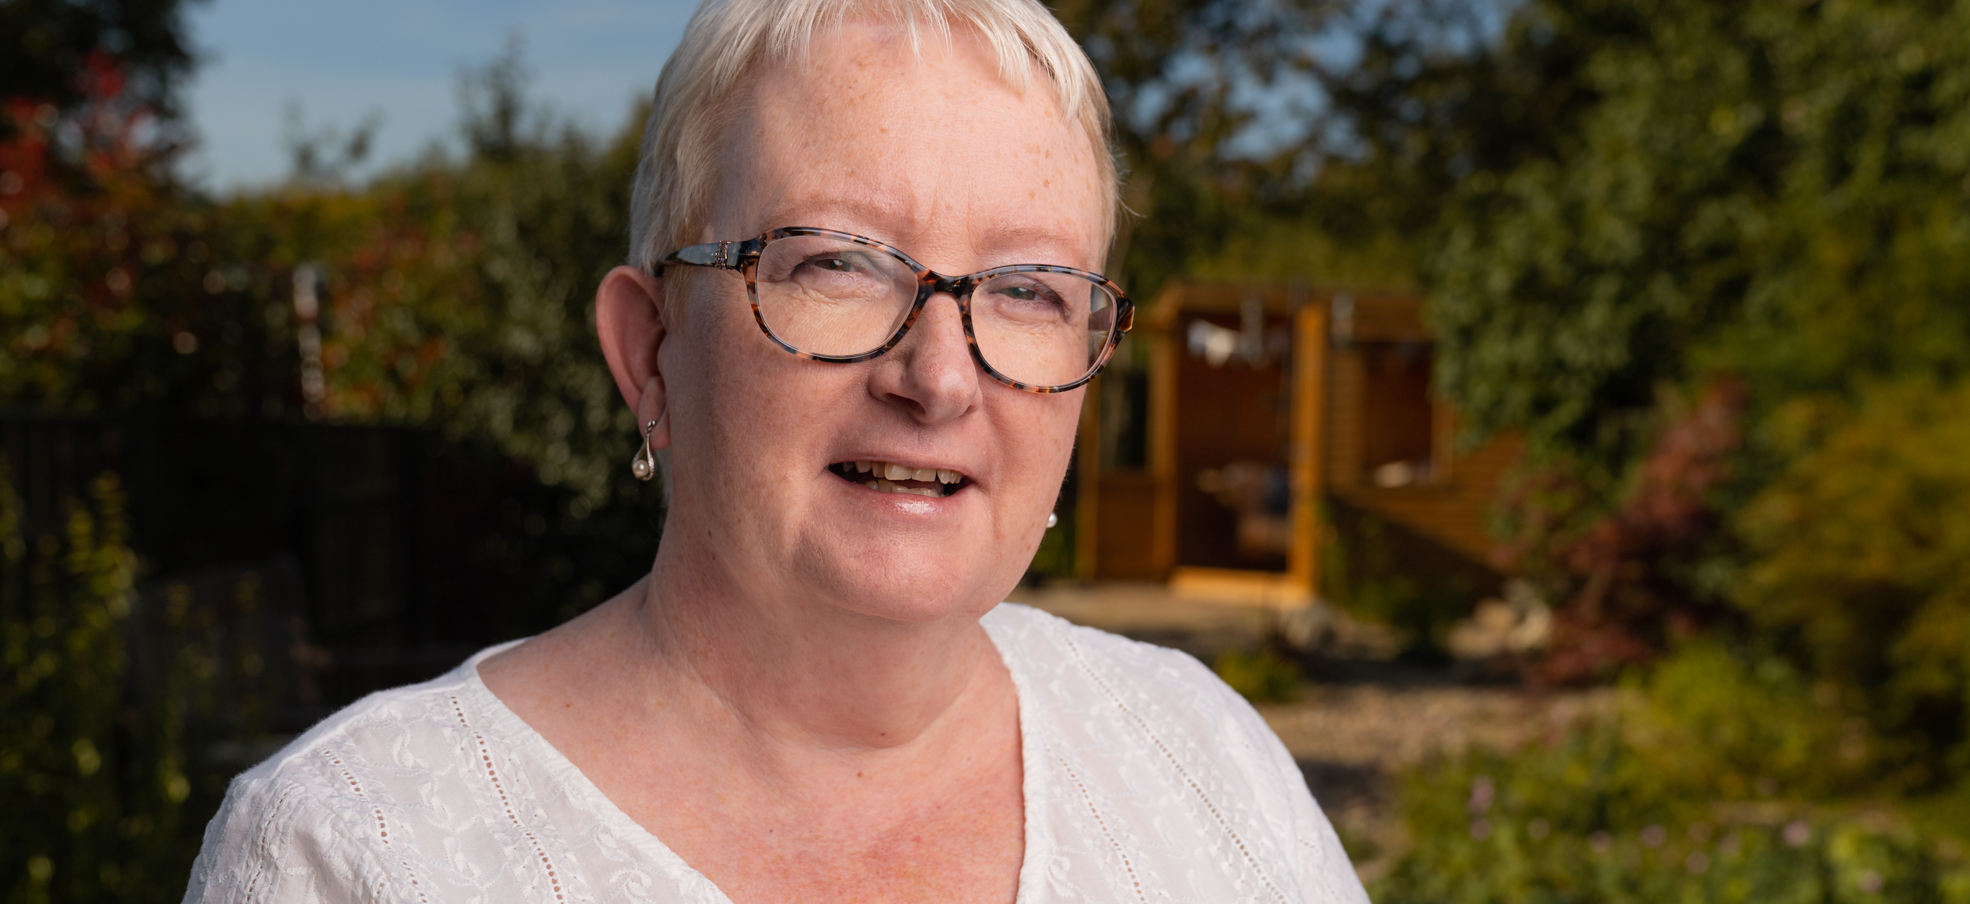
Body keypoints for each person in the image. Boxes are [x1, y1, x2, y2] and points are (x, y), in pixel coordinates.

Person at [182, 0, 1369, 901]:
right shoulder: (353, 851)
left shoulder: (1199, 754)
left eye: (1027, 289)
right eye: (839, 263)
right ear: (649, 351)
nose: (941, 377)